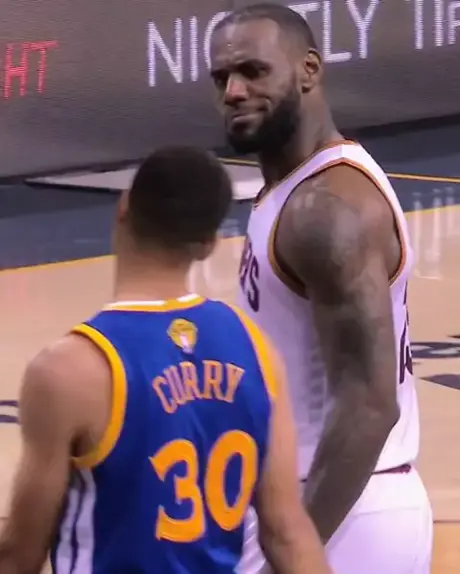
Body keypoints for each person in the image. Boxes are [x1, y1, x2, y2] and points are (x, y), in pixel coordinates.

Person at [0, 146, 331, 574]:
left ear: (124, 207)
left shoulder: (70, 370)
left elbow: (20, 555)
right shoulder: (257, 349)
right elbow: (287, 532)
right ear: (209, 245)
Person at [210, 3, 433, 574]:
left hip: (344, 510)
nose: (234, 91)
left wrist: (293, 553)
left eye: (253, 71)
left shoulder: (327, 210)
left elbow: (369, 405)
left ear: (309, 70)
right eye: (222, 78)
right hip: (336, 500)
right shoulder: (294, 189)